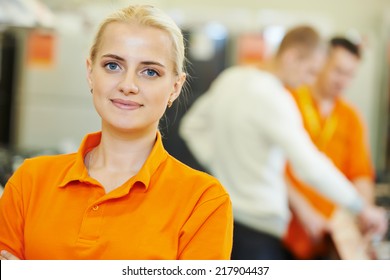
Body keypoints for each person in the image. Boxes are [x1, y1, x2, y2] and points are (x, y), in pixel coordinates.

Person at [0, 5, 233, 260]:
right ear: (91, 73)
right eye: (113, 66)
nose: (127, 85)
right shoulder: (30, 182)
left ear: (175, 87)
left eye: (150, 72)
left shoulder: (204, 201)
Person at [179, 25, 387, 259]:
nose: (309, 80)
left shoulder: (232, 77)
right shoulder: (276, 97)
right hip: (260, 228)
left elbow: (191, 126)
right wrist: (361, 208)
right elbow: (311, 168)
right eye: (310, 71)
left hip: (228, 216)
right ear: (291, 57)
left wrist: (219, 165)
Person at [284, 37, 384, 259]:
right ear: (321, 63)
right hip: (286, 226)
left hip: (329, 231)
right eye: (338, 71)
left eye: (350, 75)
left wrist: (364, 213)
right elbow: (272, 166)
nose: (343, 81)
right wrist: (304, 211)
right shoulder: (289, 101)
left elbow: (360, 174)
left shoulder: (351, 117)